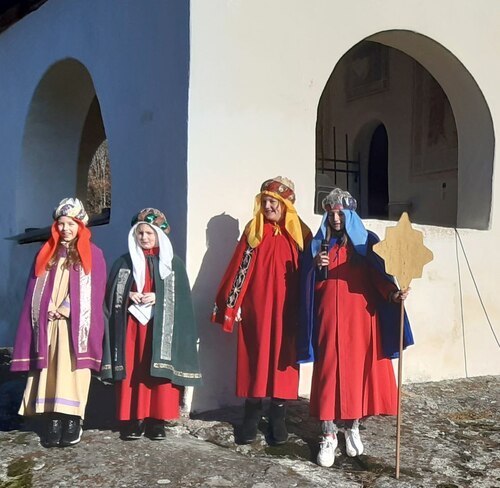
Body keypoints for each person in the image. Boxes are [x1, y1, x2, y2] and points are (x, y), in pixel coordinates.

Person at [298, 188, 414, 467]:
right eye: (331, 213)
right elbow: (303, 284)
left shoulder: (367, 243)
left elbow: (380, 277)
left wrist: (393, 295)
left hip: (361, 320)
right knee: (327, 374)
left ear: (351, 214)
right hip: (327, 319)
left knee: (355, 374)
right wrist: (314, 266)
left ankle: (352, 426)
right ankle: (328, 433)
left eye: (341, 213)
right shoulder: (317, 244)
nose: (336, 219)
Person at [212, 176, 311, 445]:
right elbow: (239, 267)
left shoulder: (302, 234)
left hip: (288, 310)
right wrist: (236, 303)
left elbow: (311, 273)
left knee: (283, 358)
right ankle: (251, 416)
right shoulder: (254, 230)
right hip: (256, 308)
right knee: (254, 357)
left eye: (273, 202)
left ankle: (278, 416)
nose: (268, 206)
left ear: (285, 204)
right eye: (264, 201)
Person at [11, 197, 107, 447]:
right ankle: (52, 418)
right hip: (48, 322)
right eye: (61, 224)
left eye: (71, 224)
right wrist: (47, 308)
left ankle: (73, 418)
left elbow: (95, 291)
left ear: (80, 227)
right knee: (49, 368)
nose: (65, 229)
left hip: (74, 325)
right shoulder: (46, 253)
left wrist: (66, 307)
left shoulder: (93, 254)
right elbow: (33, 289)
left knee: (72, 368)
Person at [102, 208, 202, 440]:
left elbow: (182, 301)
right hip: (134, 329)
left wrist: (159, 297)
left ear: (159, 235)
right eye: (140, 233)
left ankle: (157, 420)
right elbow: (110, 297)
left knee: (158, 372)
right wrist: (129, 295)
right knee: (135, 370)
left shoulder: (172, 264)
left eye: (149, 232)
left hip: (161, 328)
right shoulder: (124, 262)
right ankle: (133, 419)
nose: (145, 237)